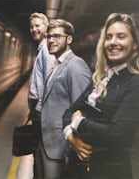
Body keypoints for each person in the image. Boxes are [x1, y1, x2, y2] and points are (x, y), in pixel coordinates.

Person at [63, 13, 139, 179]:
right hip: (76, 169)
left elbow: (115, 133)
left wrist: (78, 122)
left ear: (134, 44)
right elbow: (69, 111)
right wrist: (71, 138)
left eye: (121, 37)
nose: (113, 42)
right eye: (108, 37)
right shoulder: (100, 77)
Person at [34, 19, 92, 178]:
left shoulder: (76, 66)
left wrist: (71, 149)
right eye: (49, 37)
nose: (51, 40)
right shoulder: (57, 63)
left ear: (69, 39)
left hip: (60, 147)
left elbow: (82, 110)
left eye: (57, 36)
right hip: (45, 141)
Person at [17, 12, 55, 179]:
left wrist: (38, 111)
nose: (34, 29)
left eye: (37, 25)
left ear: (46, 27)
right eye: (32, 26)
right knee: (37, 157)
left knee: (40, 159)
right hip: (39, 114)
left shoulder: (46, 50)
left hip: (43, 116)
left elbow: (50, 82)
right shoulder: (42, 49)